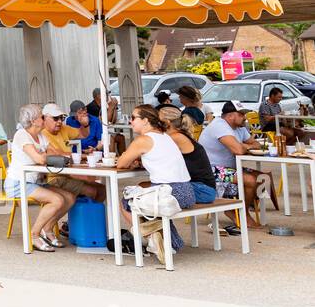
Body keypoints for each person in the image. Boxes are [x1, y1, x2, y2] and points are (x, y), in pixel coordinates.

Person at [116, 105, 199, 264]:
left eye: (134, 118)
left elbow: (121, 163)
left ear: (146, 121)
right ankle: (168, 242)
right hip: (187, 192)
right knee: (144, 193)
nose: (131, 121)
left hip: (171, 192)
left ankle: (150, 236)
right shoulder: (165, 136)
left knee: (126, 202)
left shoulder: (143, 140)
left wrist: (130, 159)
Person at [4, 104, 72, 252]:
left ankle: (47, 230)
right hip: (18, 182)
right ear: (34, 120)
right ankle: (34, 235)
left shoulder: (41, 135)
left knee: (69, 197)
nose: (44, 118)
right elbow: (39, 159)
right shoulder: (21, 135)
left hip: (36, 181)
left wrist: (51, 155)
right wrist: (47, 156)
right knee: (57, 200)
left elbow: (56, 154)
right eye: (42, 116)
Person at [200, 100, 275, 227]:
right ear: (230, 115)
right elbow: (239, 151)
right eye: (241, 114)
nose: (244, 117)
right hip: (211, 170)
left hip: (229, 169)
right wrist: (244, 146)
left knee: (264, 178)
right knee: (251, 180)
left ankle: (238, 207)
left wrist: (242, 145)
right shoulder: (220, 125)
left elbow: (256, 144)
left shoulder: (239, 128)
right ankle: (240, 213)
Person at [40, 103, 103, 226]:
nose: (59, 122)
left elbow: (83, 135)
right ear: (44, 119)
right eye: (55, 118)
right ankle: (76, 225)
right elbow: (58, 154)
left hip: (67, 174)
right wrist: (83, 155)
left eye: (61, 118)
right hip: (54, 177)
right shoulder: (43, 134)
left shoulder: (63, 128)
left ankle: (85, 223)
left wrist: (85, 124)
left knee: (102, 189)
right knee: (91, 190)